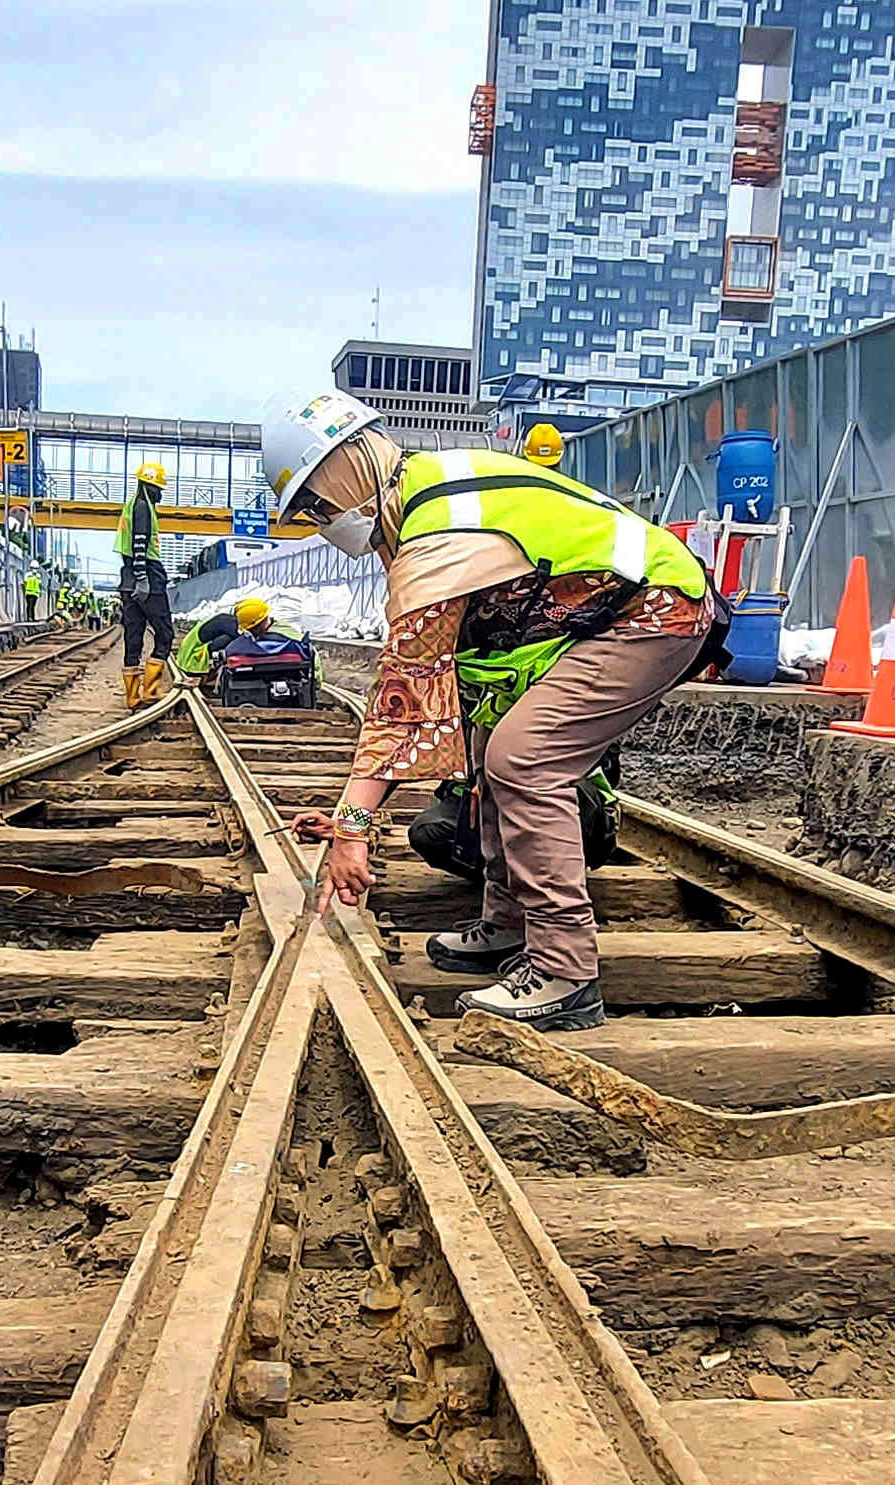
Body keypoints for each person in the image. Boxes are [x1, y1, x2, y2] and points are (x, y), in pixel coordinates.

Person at [266, 391, 720, 1031]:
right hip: (603, 615)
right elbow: (438, 689)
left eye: (315, 503)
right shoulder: (425, 495)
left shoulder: (437, 533)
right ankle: (509, 926)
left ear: (345, 465)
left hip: (654, 611)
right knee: (488, 754)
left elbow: (403, 699)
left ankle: (565, 972)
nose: (320, 521)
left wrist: (352, 826)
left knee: (524, 762)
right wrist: (354, 813)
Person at [117, 461, 174, 708]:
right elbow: (140, 544)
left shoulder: (132, 505)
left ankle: (132, 696)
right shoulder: (143, 508)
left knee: (134, 636)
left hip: (128, 578)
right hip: (147, 576)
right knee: (165, 634)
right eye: (158, 488)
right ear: (149, 485)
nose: (160, 493)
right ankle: (151, 691)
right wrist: (143, 579)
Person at [172, 595, 300, 678]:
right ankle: (214, 671)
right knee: (233, 644)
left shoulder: (226, 620)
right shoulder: (228, 626)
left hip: (187, 654)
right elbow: (247, 644)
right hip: (192, 661)